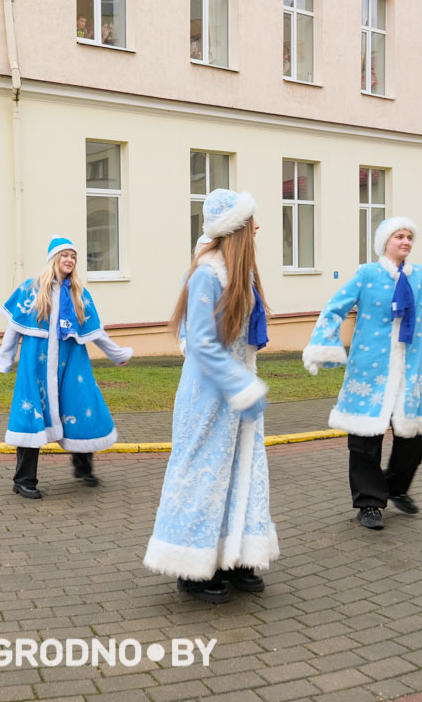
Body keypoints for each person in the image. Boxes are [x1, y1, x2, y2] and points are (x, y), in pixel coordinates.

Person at [143, 189, 278, 604]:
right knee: (202, 476)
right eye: (252, 220)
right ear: (236, 228)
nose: (258, 226)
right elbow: (200, 342)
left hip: (238, 397)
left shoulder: (242, 273)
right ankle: (191, 568)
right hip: (209, 396)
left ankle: (233, 557)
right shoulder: (208, 273)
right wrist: (240, 385)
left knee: (242, 473)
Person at [303, 216, 422, 531]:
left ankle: (395, 488)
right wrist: (323, 346)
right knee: (365, 438)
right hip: (370, 368)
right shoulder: (367, 274)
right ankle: (369, 504)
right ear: (385, 241)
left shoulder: (421, 276)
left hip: (409, 369)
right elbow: (334, 307)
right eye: (400, 236)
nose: (406, 242)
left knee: (415, 436)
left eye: (410, 237)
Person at [0, 236, 132, 499]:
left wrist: (117, 354)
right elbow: (13, 327)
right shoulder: (31, 289)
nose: (69, 260)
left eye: (73, 256)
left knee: (80, 406)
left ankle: (83, 467)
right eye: (64, 255)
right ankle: (24, 479)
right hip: (35, 364)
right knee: (31, 416)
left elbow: (96, 332)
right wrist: (6, 359)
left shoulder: (79, 294)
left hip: (71, 361)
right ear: (54, 259)